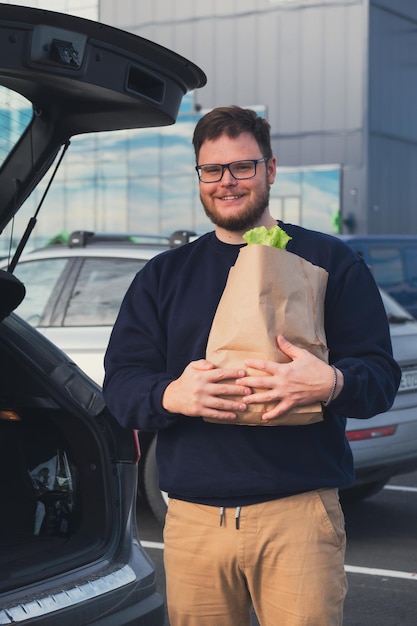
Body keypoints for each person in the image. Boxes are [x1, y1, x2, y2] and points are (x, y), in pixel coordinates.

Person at [103, 105, 401, 626]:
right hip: (193, 523)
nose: (227, 182)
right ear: (199, 175)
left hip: (300, 515)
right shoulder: (163, 276)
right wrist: (173, 395)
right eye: (212, 170)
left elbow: (380, 378)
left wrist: (331, 383)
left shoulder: (329, 262)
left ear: (270, 168)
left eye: (242, 166)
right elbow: (122, 385)